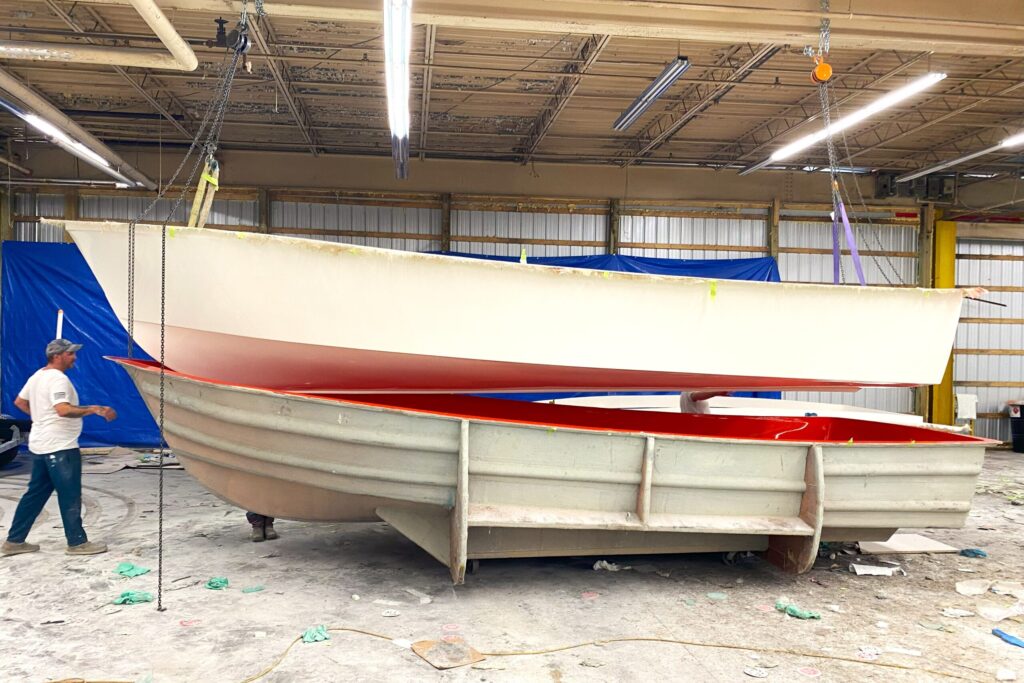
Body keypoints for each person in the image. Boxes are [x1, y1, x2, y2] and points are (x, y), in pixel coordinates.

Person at [1, 339, 117, 557]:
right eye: (70, 354)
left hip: (40, 444)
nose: (74, 357)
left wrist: (40, 418)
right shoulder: (58, 379)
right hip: (60, 446)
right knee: (69, 494)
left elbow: (19, 401)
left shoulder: (37, 376)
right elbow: (63, 410)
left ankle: (14, 541)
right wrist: (94, 409)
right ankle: (77, 543)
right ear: (57, 356)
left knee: (34, 494)